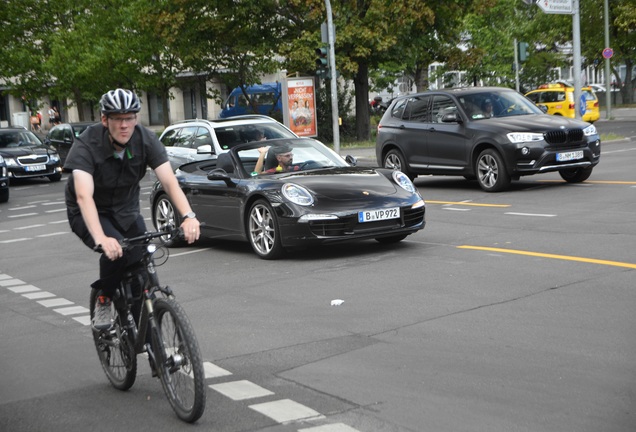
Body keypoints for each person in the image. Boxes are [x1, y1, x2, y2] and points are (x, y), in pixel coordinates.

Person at [64, 88, 200, 331]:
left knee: (140, 263)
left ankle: (151, 346)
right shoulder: (87, 144)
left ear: (136, 118)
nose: (124, 125)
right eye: (117, 119)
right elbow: (84, 196)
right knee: (115, 249)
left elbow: (169, 182)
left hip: (126, 209)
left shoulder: (145, 140)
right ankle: (104, 298)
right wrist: (101, 238)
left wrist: (188, 216)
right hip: (89, 211)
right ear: (105, 120)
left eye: (129, 118)